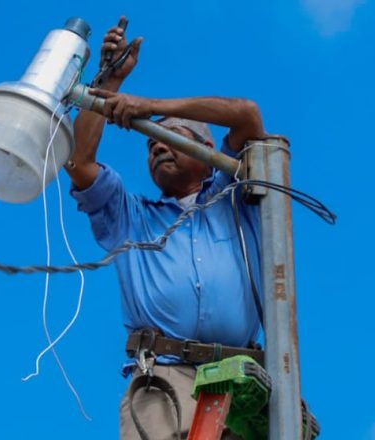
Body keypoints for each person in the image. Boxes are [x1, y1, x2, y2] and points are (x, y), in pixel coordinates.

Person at [66, 19, 266, 440]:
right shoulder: (130, 216)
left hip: (237, 384)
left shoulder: (234, 196)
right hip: (164, 381)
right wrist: (111, 81)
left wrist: (151, 107)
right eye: (150, 143)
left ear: (207, 150)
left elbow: (246, 115)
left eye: (169, 136)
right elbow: (80, 162)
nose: (156, 145)